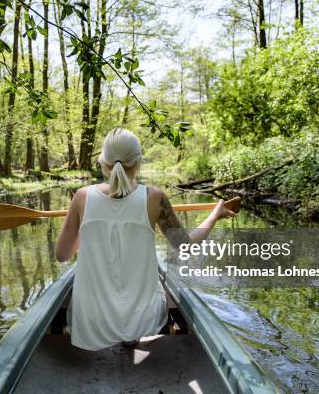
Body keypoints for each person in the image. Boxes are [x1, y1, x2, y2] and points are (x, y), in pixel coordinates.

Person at [55, 128, 235, 350]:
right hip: (141, 321)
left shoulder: (82, 197)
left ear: (103, 162)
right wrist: (215, 214)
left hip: (91, 323)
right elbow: (185, 246)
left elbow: (62, 255)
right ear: (138, 162)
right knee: (166, 287)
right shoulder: (155, 198)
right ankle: (132, 335)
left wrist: (85, 226)